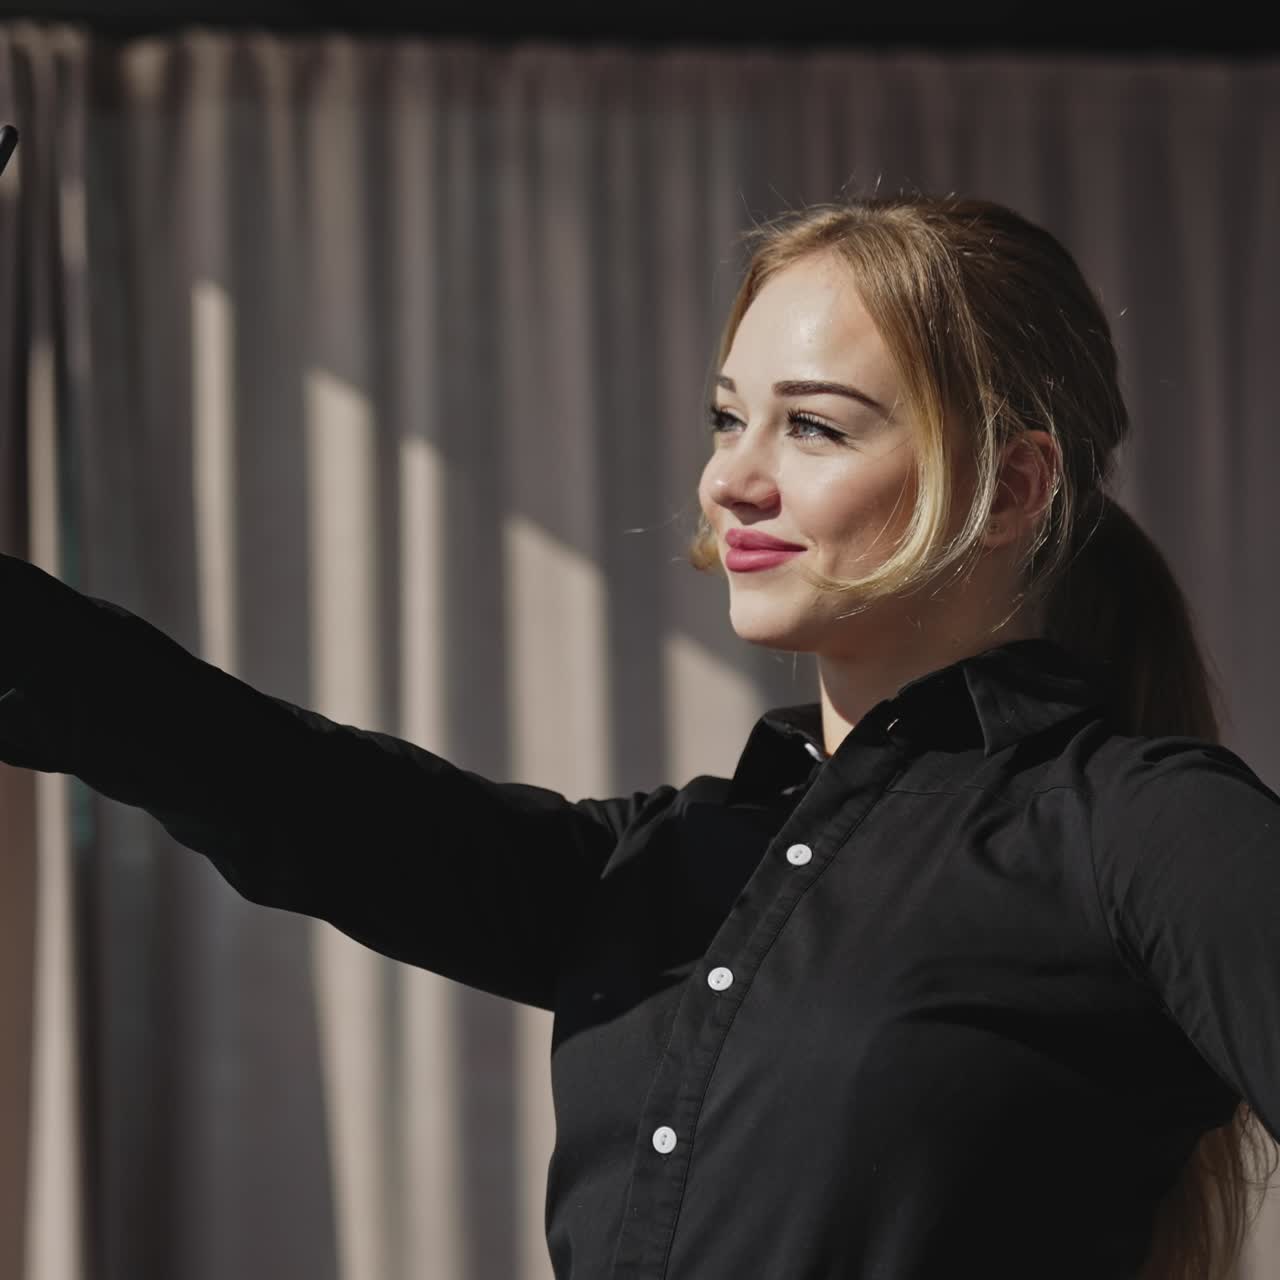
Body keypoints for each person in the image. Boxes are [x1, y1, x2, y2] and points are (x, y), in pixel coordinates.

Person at [1, 193, 1277, 1279]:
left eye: (814, 425)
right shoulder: (683, 861)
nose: (730, 478)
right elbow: (285, 792)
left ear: (1010, 486)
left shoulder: (1148, 830)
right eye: (730, 417)